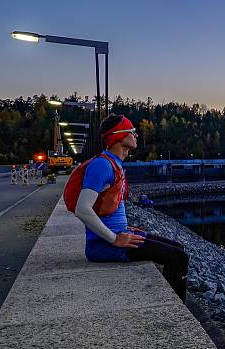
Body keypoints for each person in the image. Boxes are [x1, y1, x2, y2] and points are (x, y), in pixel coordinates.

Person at [73, 114, 189, 301]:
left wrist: (123, 230)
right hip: (103, 245)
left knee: (179, 248)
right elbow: (82, 209)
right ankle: (176, 312)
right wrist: (114, 238)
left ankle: (173, 302)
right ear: (118, 136)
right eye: (132, 132)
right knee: (177, 257)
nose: (136, 135)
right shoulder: (102, 165)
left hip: (118, 235)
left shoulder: (115, 164)